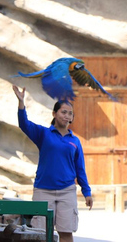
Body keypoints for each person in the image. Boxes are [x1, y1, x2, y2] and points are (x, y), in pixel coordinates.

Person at [13, 85, 93, 242]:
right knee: (40, 234)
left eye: (70, 113)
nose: (66, 116)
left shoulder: (75, 141)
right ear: (54, 114)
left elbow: (80, 169)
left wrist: (87, 192)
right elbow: (24, 124)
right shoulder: (43, 134)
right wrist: (21, 103)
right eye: (63, 112)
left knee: (66, 233)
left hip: (67, 191)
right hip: (43, 191)